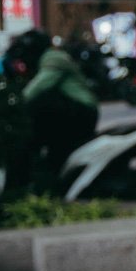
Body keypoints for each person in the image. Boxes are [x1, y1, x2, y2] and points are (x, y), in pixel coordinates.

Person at [21, 39, 100, 184]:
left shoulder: (52, 58)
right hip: (79, 112)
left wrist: (15, 102)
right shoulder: (53, 57)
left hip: (83, 112)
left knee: (41, 105)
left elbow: (38, 87)